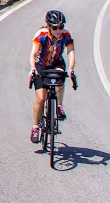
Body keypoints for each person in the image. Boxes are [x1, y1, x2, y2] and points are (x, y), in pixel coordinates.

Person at [30, 8, 77, 144]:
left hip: (56, 63)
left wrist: (71, 69)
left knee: (61, 78)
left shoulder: (66, 35)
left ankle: (59, 106)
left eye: (61, 27)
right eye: (55, 27)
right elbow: (33, 54)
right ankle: (35, 127)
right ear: (48, 25)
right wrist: (33, 69)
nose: (58, 30)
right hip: (41, 65)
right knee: (41, 97)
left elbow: (70, 52)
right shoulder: (41, 34)